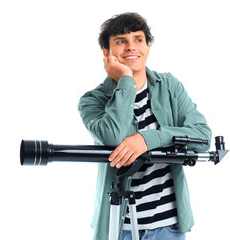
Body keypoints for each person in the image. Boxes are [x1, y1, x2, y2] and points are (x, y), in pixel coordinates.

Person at [78, 12, 211, 240]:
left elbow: (202, 136)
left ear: (148, 47)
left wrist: (147, 140)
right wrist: (126, 80)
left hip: (168, 228)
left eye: (138, 40)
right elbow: (112, 136)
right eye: (121, 41)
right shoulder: (92, 100)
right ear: (107, 54)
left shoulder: (169, 86)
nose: (131, 47)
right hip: (118, 229)